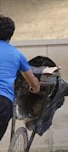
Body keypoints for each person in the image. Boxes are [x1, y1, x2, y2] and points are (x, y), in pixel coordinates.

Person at [0, 15, 40, 144]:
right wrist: (34, 88)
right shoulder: (16, 55)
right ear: (10, 36)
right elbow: (33, 84)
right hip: (3, 102)